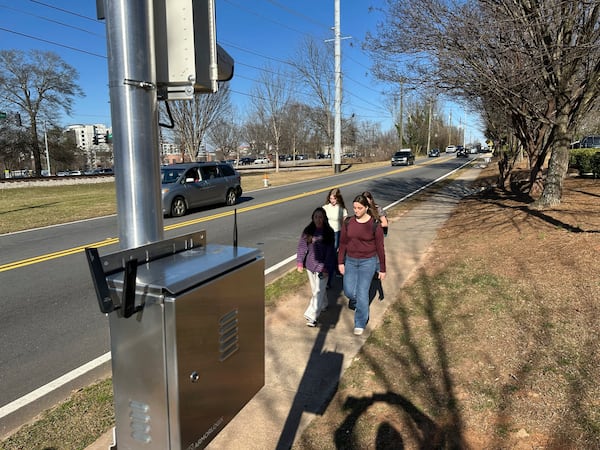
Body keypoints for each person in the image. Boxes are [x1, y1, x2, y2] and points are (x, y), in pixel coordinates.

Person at [338, 194, 386, 336]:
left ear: (366, 208)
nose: (356, 211)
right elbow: (342, 243)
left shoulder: (374, 225)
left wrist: (382, 268)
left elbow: (380, 248)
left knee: (362, 292)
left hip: (368, 262)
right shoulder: (348, 222)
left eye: (359, 208)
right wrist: (340, 261)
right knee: (348, 291)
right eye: (354, 208)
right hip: (351, 261)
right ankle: (359, 303)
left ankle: (360, 322)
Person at [296, 207, 336, 327]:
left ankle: (312, 316)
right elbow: (302, 247)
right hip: (310, 265)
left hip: (323, 266)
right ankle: (323, 304)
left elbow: (330, 253)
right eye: (316, 217)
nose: (318, 219)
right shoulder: (308, 231)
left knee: (318, 291)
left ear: (324, 218)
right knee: (316, 290)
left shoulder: (329, 232)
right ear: (313, 218)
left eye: (320, 217)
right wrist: (299, 262)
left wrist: (326, 267)